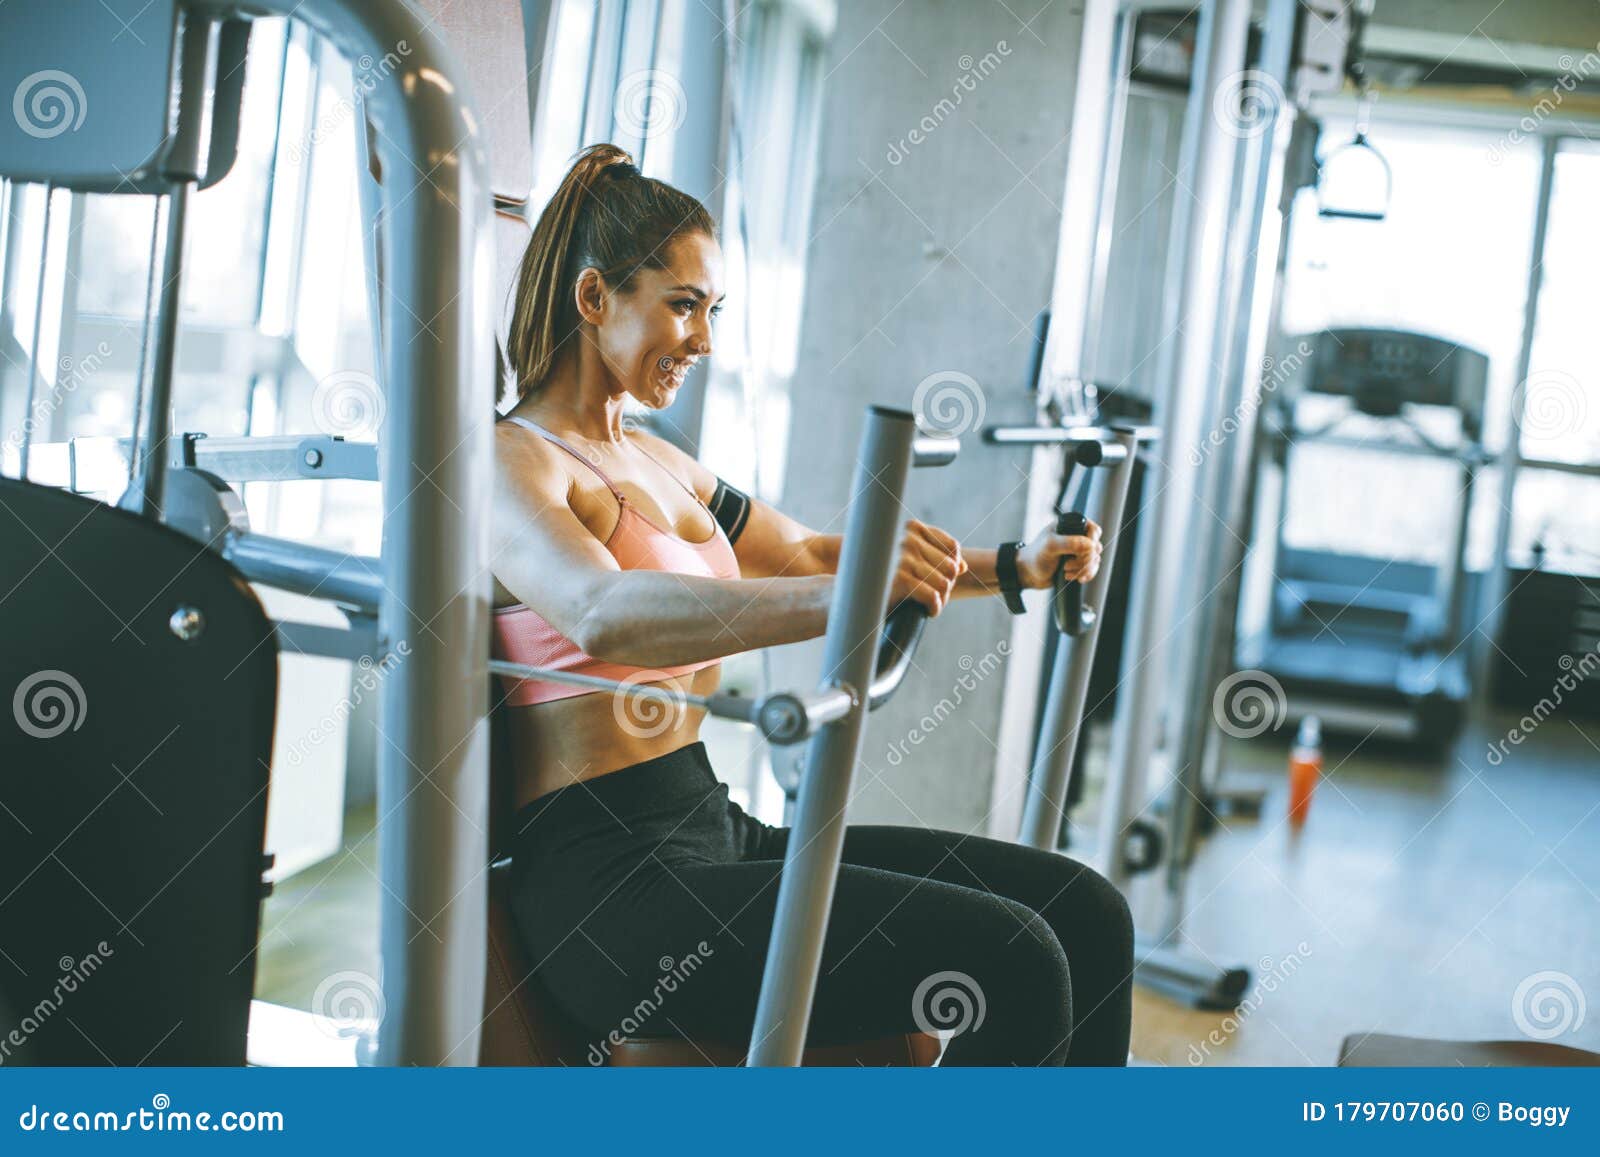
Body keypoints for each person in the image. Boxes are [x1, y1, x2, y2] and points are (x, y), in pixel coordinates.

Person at [490, 143, 1132, 1066]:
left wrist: (1013, 567)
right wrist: (847, 602)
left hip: (710, 831)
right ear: (595, 299)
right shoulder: (514, 458)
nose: (704, 340)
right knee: (1014, 959)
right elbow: (601, 609)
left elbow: (800, 550)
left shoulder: (656, 455)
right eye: (682, 306)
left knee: (1084, 912)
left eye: (711, 311)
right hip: (613, 890)